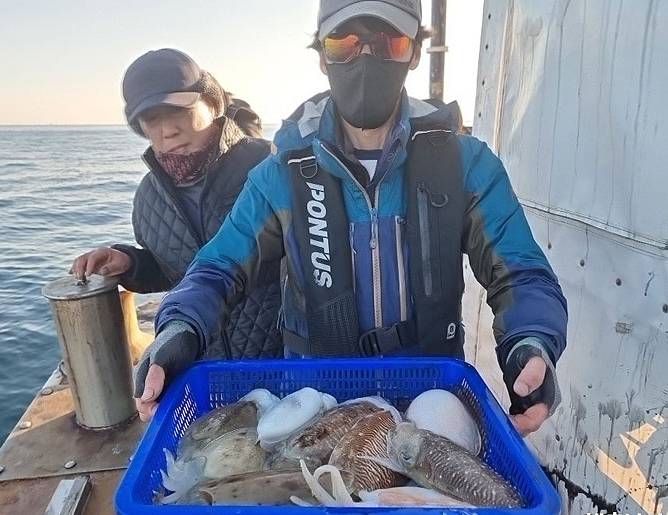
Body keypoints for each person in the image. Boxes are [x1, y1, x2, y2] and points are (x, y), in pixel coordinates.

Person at [134, 0, 568, 437]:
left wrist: (530, 341)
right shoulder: (280, 174)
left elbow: (520, 271)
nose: (364, 58)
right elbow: (218, 268)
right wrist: (180, 326)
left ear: (415, 53)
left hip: (428, 395)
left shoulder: (467, 165)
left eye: (388, 42)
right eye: (343, 44)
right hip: (316, 403)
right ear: (322, 57)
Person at [70, 49, 284, 396]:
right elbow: (176, 272)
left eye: (179, 111)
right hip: (204, 373)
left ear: (212, 103)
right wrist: (131, 263)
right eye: (151, 118)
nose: (168, 130)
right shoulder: (147, 198)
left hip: (284, 364)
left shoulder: (268, 164)